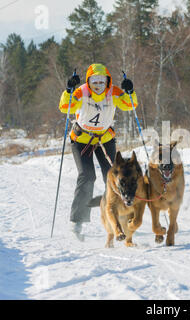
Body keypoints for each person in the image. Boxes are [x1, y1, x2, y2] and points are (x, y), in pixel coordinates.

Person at [58, 63, 138, 241]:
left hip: (105, 139)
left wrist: (130, 91)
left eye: (102, 81)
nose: (98, 85)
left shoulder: (114, 92)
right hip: (82, 139)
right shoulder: (81, 92)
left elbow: (130, 105)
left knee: (113, 176)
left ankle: (122, 216)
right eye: (94, 81)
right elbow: (65, 107)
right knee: (87, 176)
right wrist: (68, 90)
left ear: (107, 81)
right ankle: (77, 221)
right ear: (88, 81)